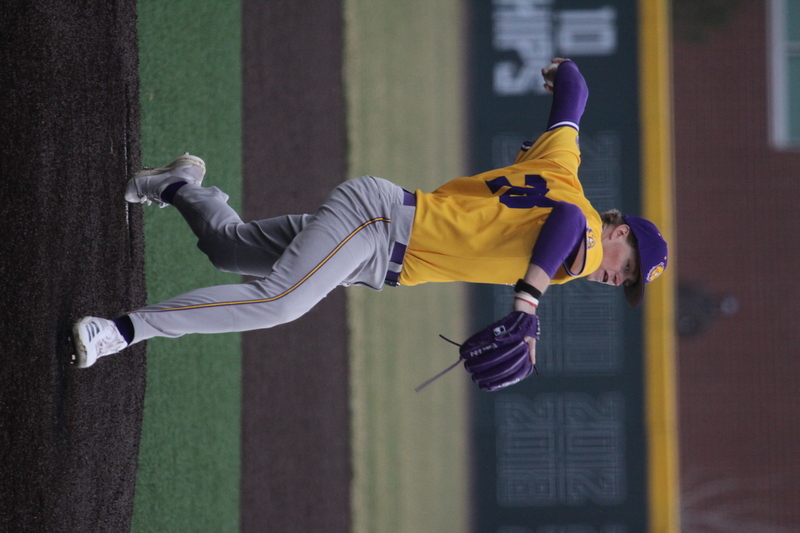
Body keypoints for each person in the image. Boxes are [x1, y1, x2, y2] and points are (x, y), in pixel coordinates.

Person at [73, 58, 668, 377]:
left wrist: (560, 70)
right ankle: (121, 331)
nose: (617, 278)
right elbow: (564, 223)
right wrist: (528, 304)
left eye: (627, 284)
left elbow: (576, 93)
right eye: (629, 264)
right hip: (379, 227)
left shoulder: (564, 166)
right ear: (620, 232)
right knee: (278, 303)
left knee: (229, 248)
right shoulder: (583, 235)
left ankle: (178, 184)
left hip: (374, 241)